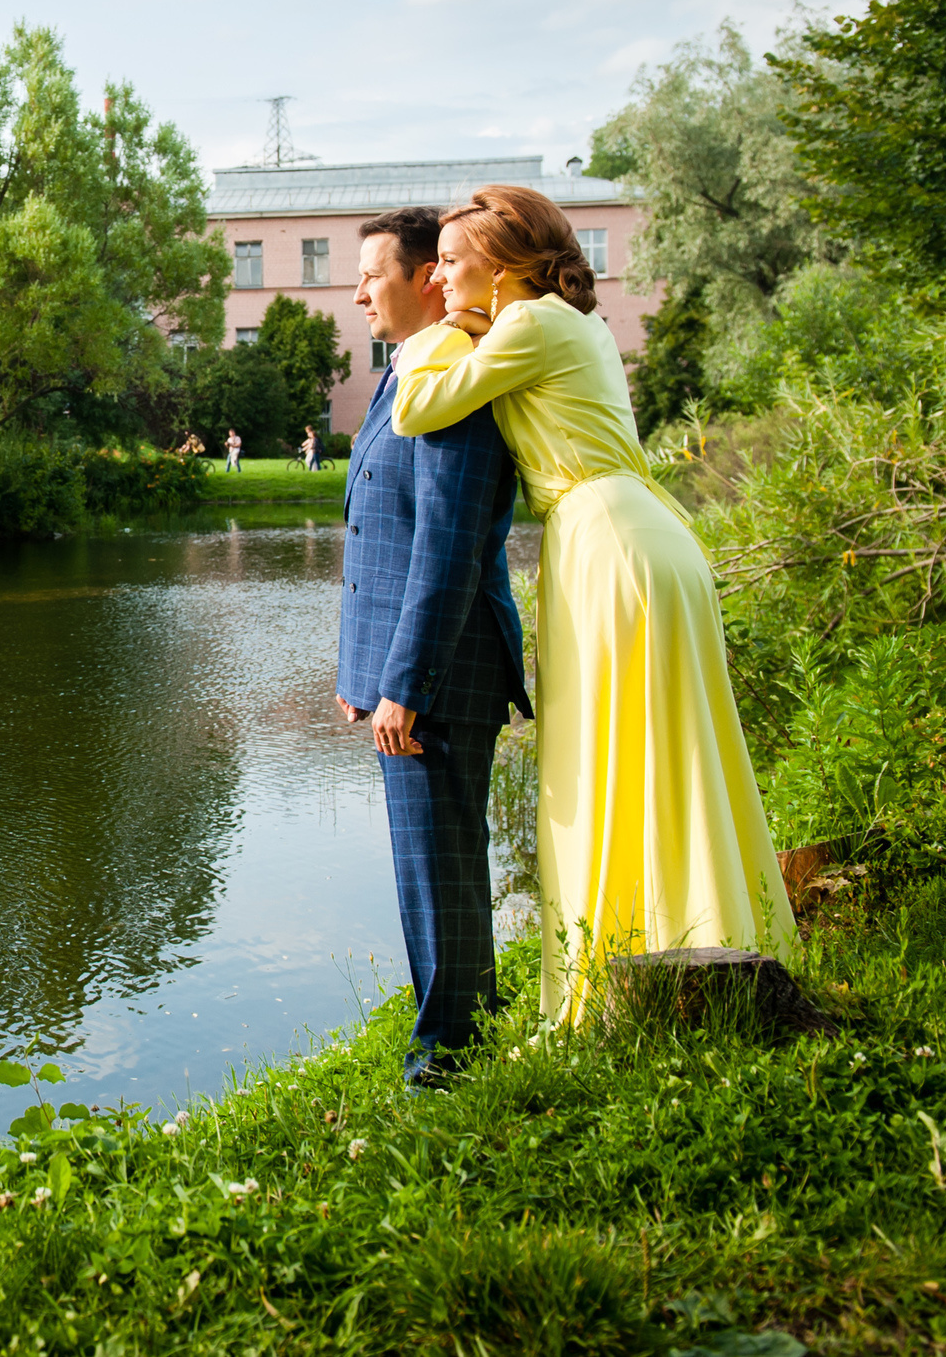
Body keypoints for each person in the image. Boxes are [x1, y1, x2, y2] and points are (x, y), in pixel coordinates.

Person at [390, 184, 798, 1023]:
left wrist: (441, 332)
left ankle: (634, 967)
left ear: (502, 268)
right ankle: (693, 937)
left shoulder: (528, 325)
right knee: (667, 748)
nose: (438, 281)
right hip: (648, 534)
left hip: (607, 543)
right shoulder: (574, 325)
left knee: (608, 752)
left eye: (455, 265)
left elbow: (417, 407)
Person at [335, 206, 532, 1086]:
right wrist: (363, 672)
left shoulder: (454, 380)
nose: (356, 293)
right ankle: (465, 1029)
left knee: (440, 863)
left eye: (371, 275)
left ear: (424, 279)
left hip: (444, 673)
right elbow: (380, 533)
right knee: (431, 863)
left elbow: (445, 548)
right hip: (408, 671)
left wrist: (404, 682)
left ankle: (448, 1059)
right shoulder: (408, 372)